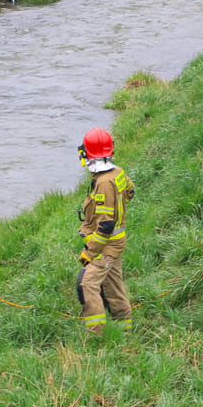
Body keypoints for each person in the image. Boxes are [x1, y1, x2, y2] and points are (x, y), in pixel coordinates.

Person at [75, 127, 136, 332]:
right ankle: (124, 328)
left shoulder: (103, 183)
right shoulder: (117, 172)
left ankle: (97, 333)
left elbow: (105, 226)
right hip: (116, 242)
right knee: (113, 285)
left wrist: (88, 253)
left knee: (88, 284)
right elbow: (130, 191)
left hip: (106, 245)